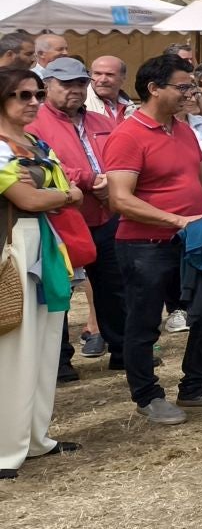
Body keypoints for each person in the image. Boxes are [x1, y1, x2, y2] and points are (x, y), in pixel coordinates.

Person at [101, 53, 202, 425]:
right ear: (154, 89)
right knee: (144, 323)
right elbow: (120, 199)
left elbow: (201, 176)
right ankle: (147, 395)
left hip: (189, 242)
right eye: (182, 86)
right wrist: (177, 220)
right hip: (143, 247)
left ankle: (194, 387)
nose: (190, 93)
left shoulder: (181, 128)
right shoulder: (127, 135)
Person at [0, 68, 84, 478]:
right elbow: (27, 197)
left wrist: (60, 194)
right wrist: (64, 195)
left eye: (36, 94)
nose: (33, 102)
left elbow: (63, 187)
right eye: (22, 95)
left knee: (47, 343)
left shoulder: (36, 143)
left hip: (46, 244)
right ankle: (5, 450)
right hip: (13, 245)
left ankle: (36, 438)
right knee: (15, 348)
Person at [30, 56, 124, 368]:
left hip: (105, 214)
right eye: (66, 83)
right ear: (48, 85)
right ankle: (59, 362)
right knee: (58, 291)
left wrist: (111, 178)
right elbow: (42, 164)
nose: (75, 89)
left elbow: (119, 155)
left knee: (113, 286)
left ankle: (123, 351)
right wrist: (86, 179)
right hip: (61, 218)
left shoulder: (100, 121)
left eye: (80, 83)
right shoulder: (34, 122)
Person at [86, 55, 135, 124]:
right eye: (98, 74)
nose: (103, 80)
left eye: (109, 75)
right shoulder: (80, 105)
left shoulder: (130, 106)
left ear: (123, 78)